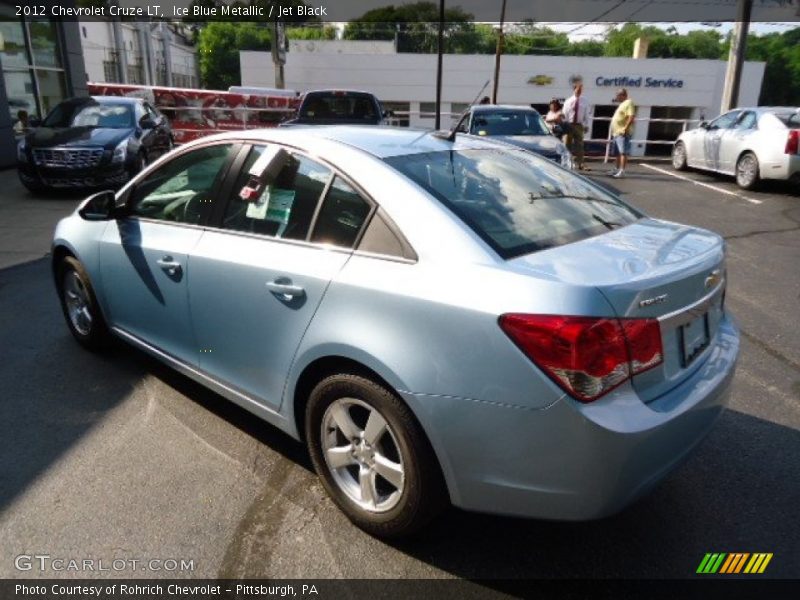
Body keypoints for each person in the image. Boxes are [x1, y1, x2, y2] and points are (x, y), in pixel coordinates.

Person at [561, 81, 590, 170]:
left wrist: (586, 125)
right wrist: (564, 125)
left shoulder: (585, 101)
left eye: (581, 89)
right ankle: (567, 163)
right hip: (568, 124)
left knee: (580, 145)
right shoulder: (568, 101)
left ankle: (581, 164)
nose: (580, 91)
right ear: (574, 89)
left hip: (579, 125)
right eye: (578, 89)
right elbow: (564, 113)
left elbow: (586, 114)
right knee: (567, 145)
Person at [610, 87, 636, 178]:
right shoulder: (622, 104)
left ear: (623, 95)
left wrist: (625, 128)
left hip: (622, 132)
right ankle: (616, 169)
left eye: (618, 95)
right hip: (617, 132)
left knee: (622, 152)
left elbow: (631, 117)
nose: (616, 97)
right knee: (617, 153)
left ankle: (622, 171)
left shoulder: (629, 103)